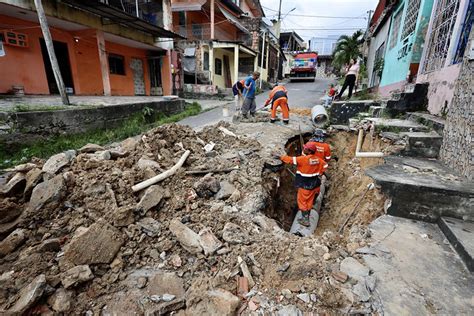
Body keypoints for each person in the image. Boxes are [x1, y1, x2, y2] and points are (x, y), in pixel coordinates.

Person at [279, 143, 328, 227]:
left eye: (305, 148)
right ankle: (308, 213)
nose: (303, 149)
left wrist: (280, 156)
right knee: (309, 200)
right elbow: (325, 165)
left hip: (305, 185)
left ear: (309, 151)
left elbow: (289, 159)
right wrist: (319, 172)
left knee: (302, 202)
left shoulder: (303, 159)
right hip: (314, 184)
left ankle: (305, 220)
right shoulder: (318, 159)